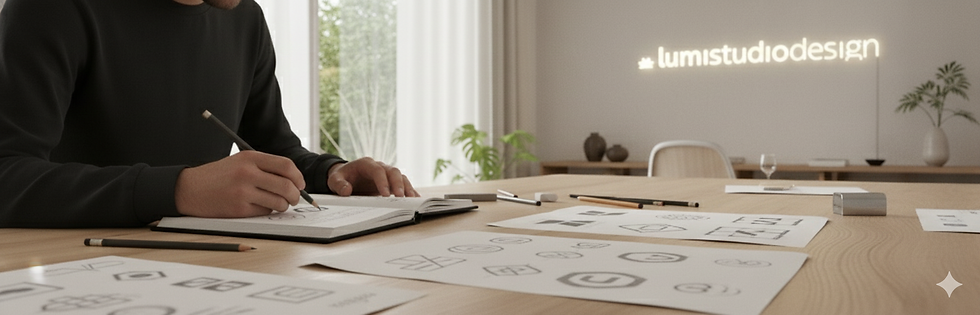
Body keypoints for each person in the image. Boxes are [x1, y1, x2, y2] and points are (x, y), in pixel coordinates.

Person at [0, 0, 418, 228]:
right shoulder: (52, 8)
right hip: (80, 273)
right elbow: (7, 175)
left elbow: (273, 149)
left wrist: (330, 173)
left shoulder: (246, 20)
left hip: (213, 269)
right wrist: (178, 189)